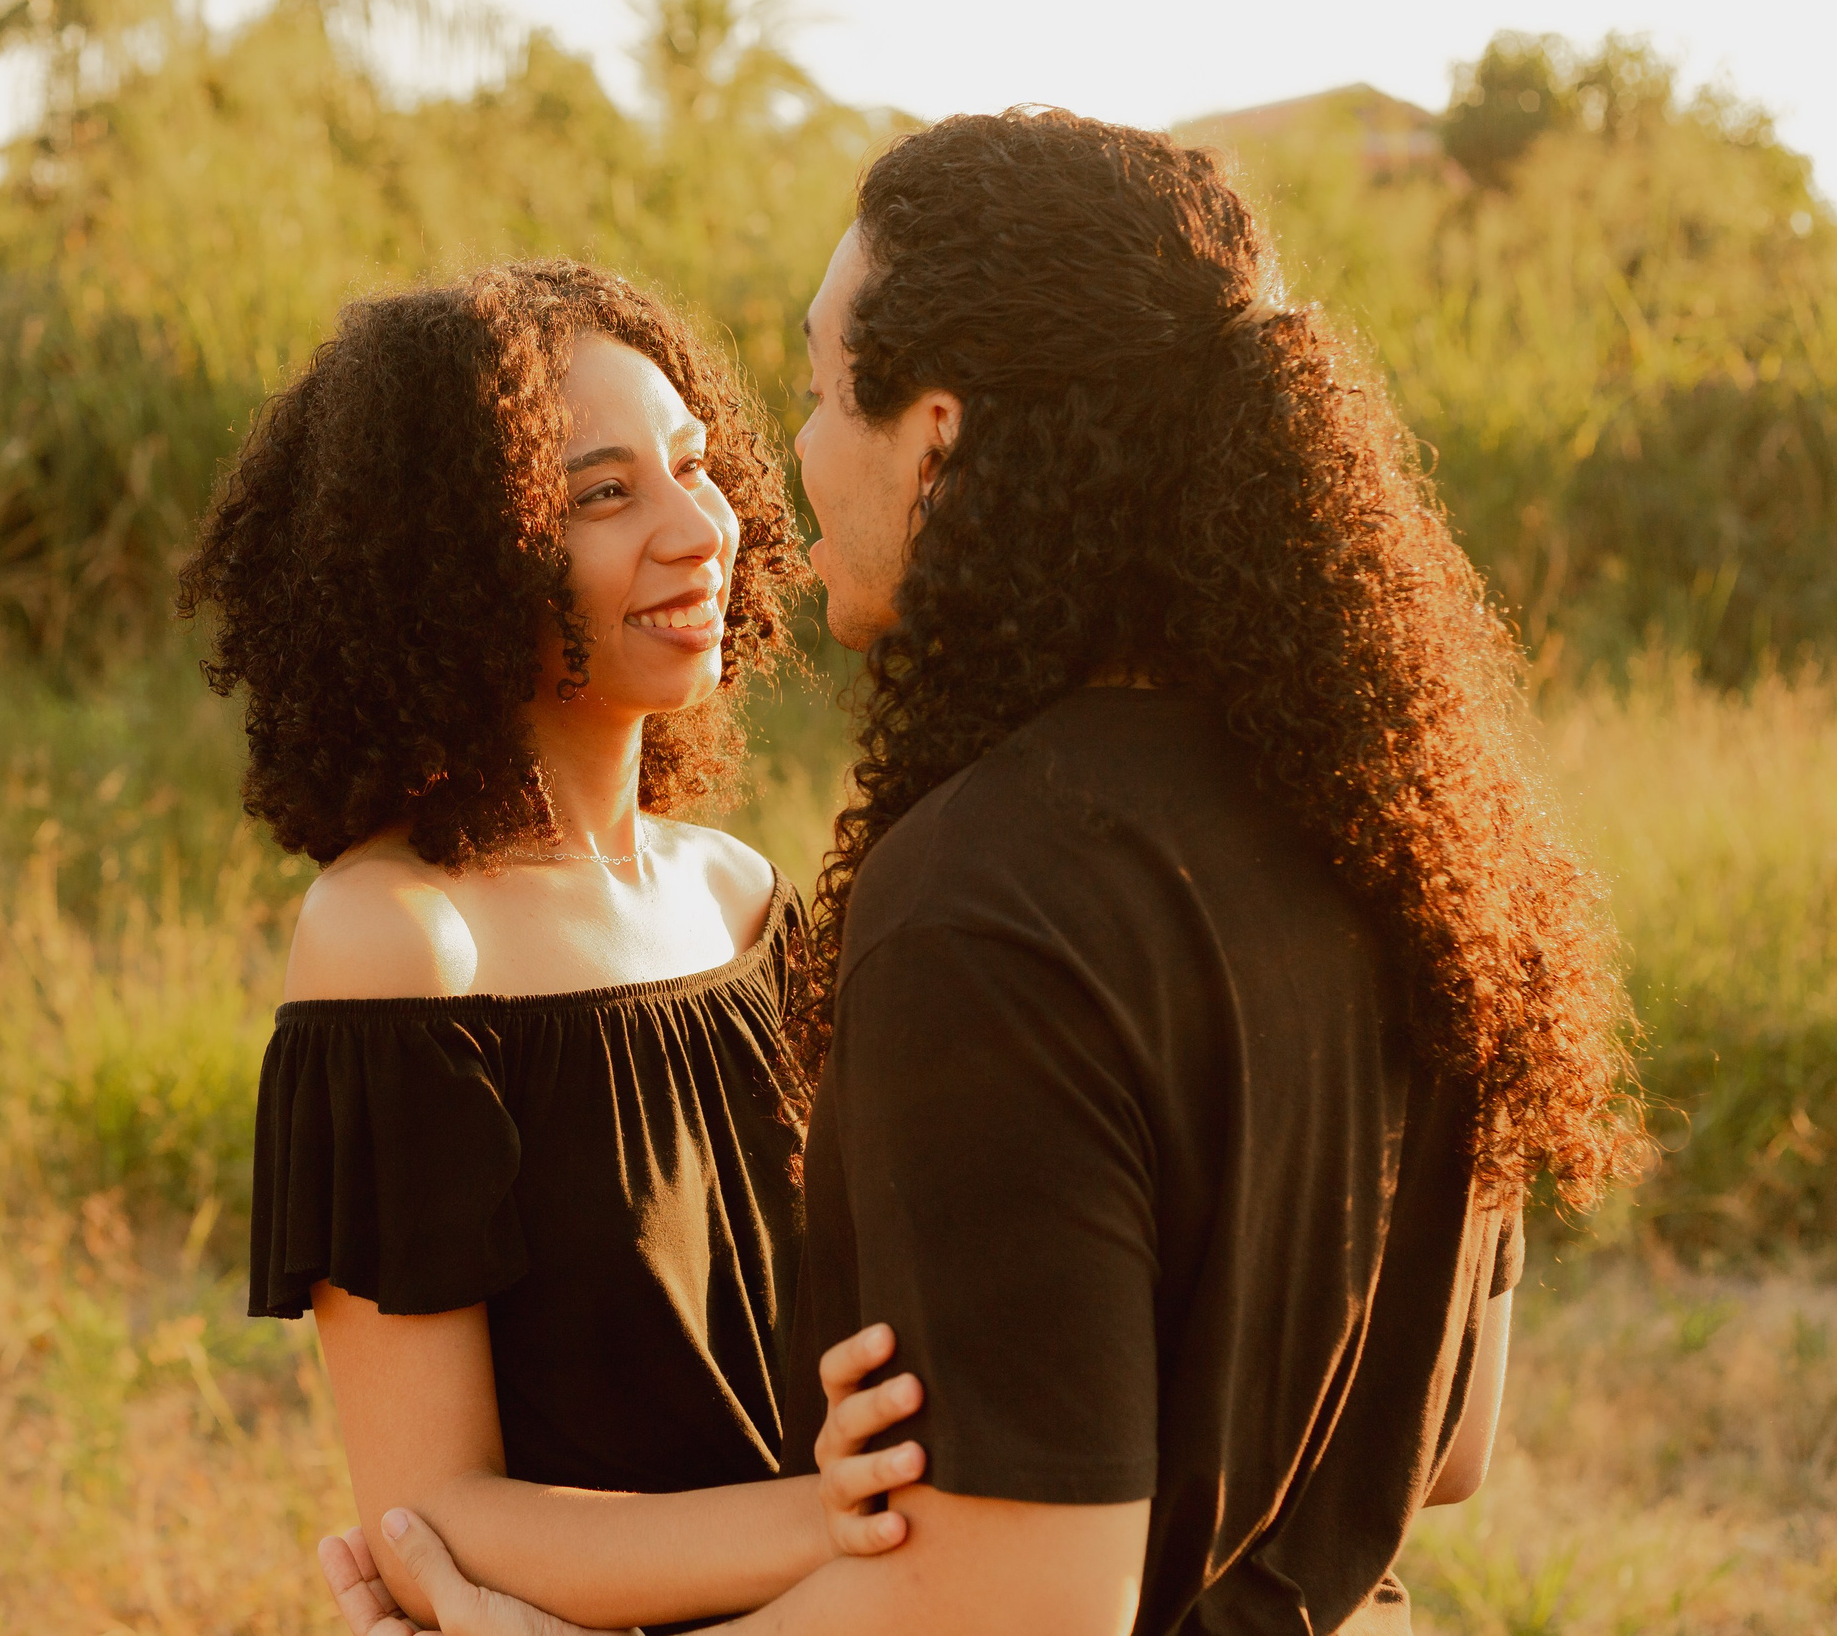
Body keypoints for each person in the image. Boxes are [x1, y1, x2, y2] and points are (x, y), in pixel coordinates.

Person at [323, 110, 1645, 1634]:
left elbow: (1023, 1605)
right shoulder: (1411, 827)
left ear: (936, 432)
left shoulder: (987, 903)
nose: (781, 469)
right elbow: (1453, 1447)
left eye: (819, 391)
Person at [178, 260, 933, 1635]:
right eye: (602, 495)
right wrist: (836, 1523)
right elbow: (436, 1516)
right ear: (456, 563)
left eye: (694, 466)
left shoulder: (742, 894)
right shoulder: (400, 940)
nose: (696, 528)